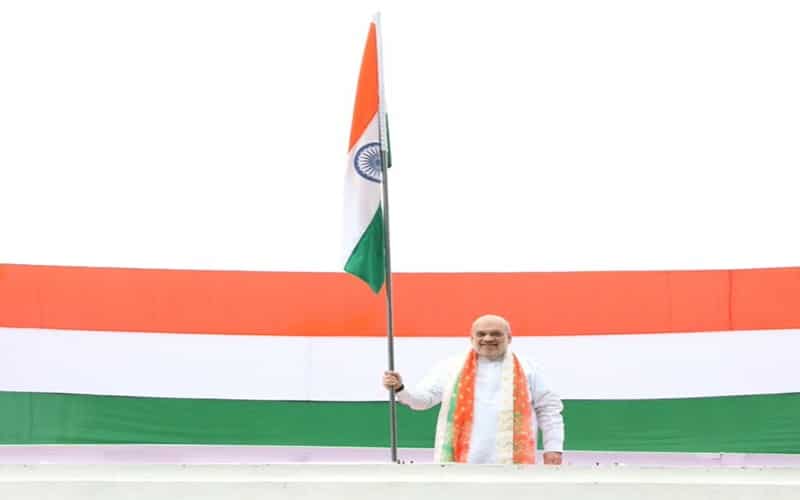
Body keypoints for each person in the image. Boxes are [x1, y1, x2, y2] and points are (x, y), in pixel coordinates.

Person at [382, 314, 564, 465]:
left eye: (496, 334)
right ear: (471, 338)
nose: (488, 339)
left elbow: (549, 410)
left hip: (513, 464)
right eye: (481, 334)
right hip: (460, 462)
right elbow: (422, 401)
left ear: (509, 338)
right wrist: (400, 389)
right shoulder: (451, 366)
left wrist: (553, 448)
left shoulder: (529, 368)